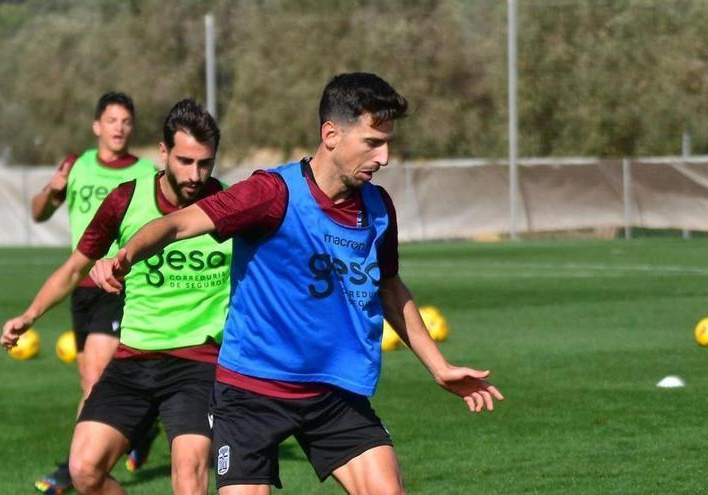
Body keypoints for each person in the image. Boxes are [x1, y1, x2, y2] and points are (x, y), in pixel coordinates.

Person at [89, 73, 505, 494]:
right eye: (372, 143)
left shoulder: (379, 209)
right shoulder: (270, 193)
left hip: (332, 390)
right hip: (251, 391)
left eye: (388, 143)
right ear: (331, 135)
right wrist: (125, 255)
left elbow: (390, 288)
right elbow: (178, 225)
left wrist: (439, 366)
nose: (384, 157)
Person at [2, 98, 230, 495]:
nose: (196, 174)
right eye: (185, 161)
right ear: (163, 152)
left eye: (205, 163)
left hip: (198, 362)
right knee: (84, 470)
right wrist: (30, 315)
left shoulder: (230, 206)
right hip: (133, 359)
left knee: (189, 472)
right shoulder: (126, 199)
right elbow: (76, 267)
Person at [28, 91, 157, 493]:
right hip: (80, 286)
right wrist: (52, 189)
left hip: (117, 281)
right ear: (96, 126)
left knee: (93, 378)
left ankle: (76, 467)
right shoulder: (77, 166)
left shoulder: (145, 173)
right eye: (112, 121)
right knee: (88, 377)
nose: (119, 128)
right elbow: (38, 213)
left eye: (126, 121)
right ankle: (143, 427)